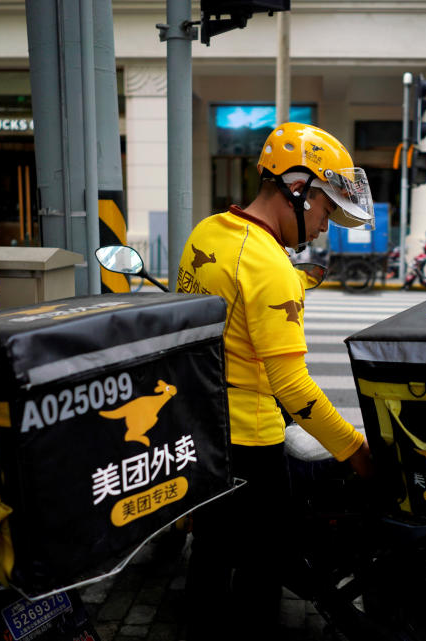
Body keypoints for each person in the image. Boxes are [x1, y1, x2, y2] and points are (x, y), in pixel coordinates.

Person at [178, 122, 373, 640]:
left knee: (214, 550)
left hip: (204, 429)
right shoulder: (271, 267)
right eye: (326, 209)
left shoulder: (208, 233)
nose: (324, 226)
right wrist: (355, 450)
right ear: (296, 187)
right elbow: (293, 388)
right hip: (253, 441)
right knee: (265, 565)